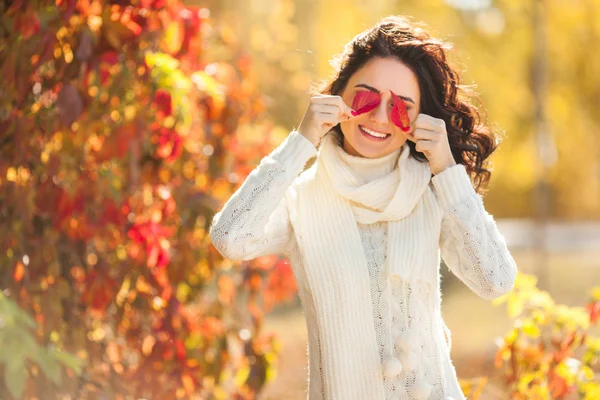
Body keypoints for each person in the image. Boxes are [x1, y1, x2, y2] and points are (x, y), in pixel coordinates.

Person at [209, 15, 517, 400]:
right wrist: (301, 141)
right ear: (336, 95)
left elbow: (495, 280)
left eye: (401, 106)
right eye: (366, 97)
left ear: (419, 120)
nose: (379, 117)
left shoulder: (434, 192)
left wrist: (447, 170)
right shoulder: (300, 199)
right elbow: (230, 237)